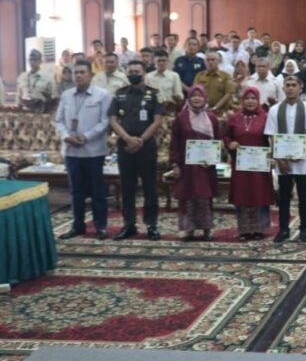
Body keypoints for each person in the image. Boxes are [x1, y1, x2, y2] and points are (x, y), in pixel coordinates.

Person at [54, 60, 113, 240]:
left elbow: (105, 122)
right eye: (75, 73)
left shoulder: (103, 95)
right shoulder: (66, 95)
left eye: (82, 72)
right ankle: (77, 226)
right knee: (76, 191)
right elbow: (59, 121)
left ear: (91, 75)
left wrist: (85, 136)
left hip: (93, 151)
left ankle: (100, 227)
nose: (78, 75)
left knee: (97, 191)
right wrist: (66, 136)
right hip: (71, 151)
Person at [109, 60, 165, 241]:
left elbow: (157, 120)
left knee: (150, 187)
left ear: (144, 73)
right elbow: (113, 120)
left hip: (146, 146)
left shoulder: (154, 94)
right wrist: (127, 139)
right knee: (127, 187)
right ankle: (129, 225)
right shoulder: (119, 94)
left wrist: (140, 140)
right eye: (130, 71)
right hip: (125, 146)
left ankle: (151, 225)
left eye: (137, 71)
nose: (134, 73)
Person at [266, 76, 306, 243]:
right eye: (287, 85)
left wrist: (302, 152)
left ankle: (304, 228)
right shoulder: (275, 110)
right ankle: (284, 229)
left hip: (301, 160)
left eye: (293, 85)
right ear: (283, 88)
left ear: (300, 88)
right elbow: (272, 135)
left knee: (304, 196)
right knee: (284, 196)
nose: (290, 88)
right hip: (282, 161)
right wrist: (280, 158)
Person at [223, 87, 275, 240]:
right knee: (243, 193)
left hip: (259, 164)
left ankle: (259, 229)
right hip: (241, 165)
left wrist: (272, 152)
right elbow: (226, 135)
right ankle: (244, 229)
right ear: (242, 101)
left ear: (258, 100)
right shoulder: (235, 118)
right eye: (247, 98)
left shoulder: (265, 117)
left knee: (259, 192)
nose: (250, 101)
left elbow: (272, 138)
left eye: (253, 98)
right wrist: (230, 143)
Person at [169, 85, 220, 241]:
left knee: (205, 196)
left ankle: (206, 229)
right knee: (188, 196)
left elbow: (217, 141)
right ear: (189, 98)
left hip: (206, 167)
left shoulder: (212, 118)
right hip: (187, 166)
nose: (197, 98)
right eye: (193, 96)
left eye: (200, 95)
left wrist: (212, 159)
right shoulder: (181, 117)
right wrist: (175, 164)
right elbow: (175, 142)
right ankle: (188, 229)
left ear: (205, 98)